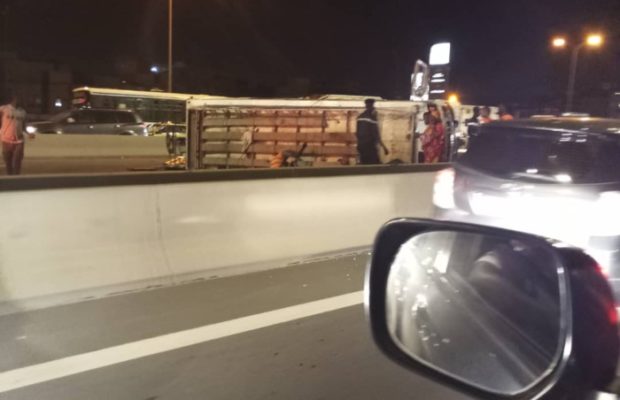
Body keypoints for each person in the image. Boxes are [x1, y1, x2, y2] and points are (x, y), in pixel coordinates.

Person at [0, 94, 32, 175]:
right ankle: (10, 181)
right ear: (13, 99)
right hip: (6, 139)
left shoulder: (22, 112)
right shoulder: (3, 109)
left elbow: (24, 126)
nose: (20, 101)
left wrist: (28, 134)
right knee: (8, 164)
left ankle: (16, 180)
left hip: (19, 140)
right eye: (19, 99)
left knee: (17, 163)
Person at [356, 99, 389, 165]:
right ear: (371, 106)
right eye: (373, 106)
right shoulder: (372, 118)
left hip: (361, 146)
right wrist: (384, 147)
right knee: (374, 165)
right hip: (370, 147)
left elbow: (357, 133)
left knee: (364, 164)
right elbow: (376, 135)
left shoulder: (360, 117)